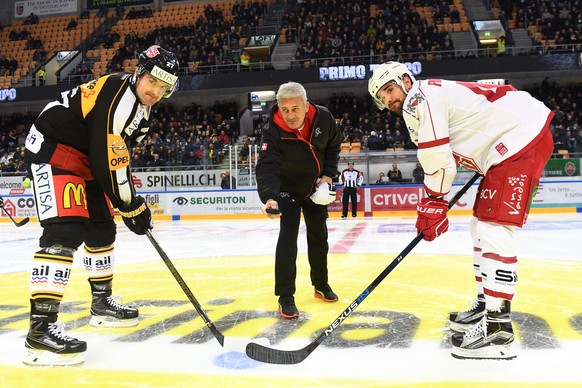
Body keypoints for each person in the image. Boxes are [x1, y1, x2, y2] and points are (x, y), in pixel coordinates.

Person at [368, 61, 553, 360]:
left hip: (520, 141)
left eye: (389, 89)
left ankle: (497, 327)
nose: (388, 99)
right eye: (382, 97)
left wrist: (433, 203)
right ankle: (486, 302)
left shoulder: (419, 98)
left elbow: (439, 160)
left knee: (494, 228)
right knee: (480, 225)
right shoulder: (421, 101)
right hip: (509, 144)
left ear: (405, 79)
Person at [23, 45, 180, 366]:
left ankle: (102, 302)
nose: (156, 92)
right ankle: (40, 330)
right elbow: (106, 156)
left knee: (101, 227)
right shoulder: (119, 96)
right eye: (153, 82)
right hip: (53, 150)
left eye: (164, 88)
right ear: (138, 73)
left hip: (85, 158)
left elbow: (114, 158)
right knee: (64, 231)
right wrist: (131, 204)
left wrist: (128, 205)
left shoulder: (141, 108)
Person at [256, 81, 342, 319]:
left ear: (306, 106)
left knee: (319, 237)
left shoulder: (323, 118)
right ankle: (285, 297)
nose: (290, 115)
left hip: (315, 187)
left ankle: (321, 285)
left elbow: (334, 145)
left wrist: (328, 176)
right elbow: (267, 165)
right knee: (288, 239)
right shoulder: (272, 129)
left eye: (295, 109)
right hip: (287, 189)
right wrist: (270, 197)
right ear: (279, 108)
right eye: (285, 110)